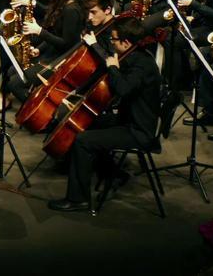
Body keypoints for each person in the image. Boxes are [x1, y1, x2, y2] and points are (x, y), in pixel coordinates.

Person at [48, 18, 160, 212]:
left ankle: (78, 199)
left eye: (114, 40)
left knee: (84, 140)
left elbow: (123, 89)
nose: (112, 43)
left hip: (137, 129)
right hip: (129, 119)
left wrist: (113, 68)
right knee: (87, 123)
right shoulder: (135, 56)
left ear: (126, 43)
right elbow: (111, 66)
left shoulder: (142, 65)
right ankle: (113, 173)